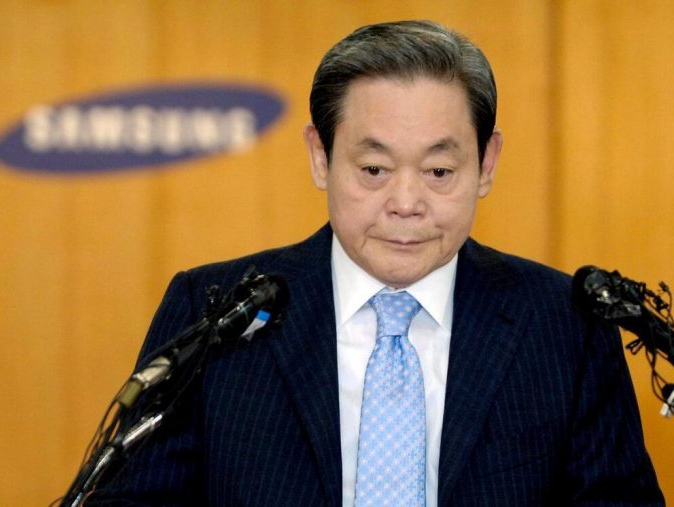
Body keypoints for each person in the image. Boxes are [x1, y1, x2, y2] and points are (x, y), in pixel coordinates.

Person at [87, 20, 663, 506]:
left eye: (439, 172)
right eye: (374, 170)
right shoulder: (216, 315)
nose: (406, 203)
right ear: (320, 157)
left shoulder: (563, 326)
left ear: (486, 164)